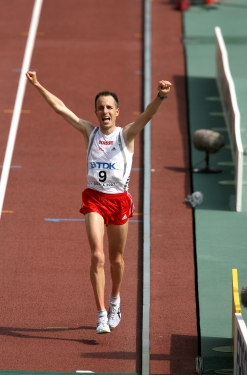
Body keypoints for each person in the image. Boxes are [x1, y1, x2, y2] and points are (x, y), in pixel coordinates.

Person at [26, 71, 171, 333]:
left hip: (118, 201)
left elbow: (148, 114)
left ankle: (115, 300)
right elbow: (61, 109)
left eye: (109, 107)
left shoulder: (126, 134)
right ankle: (102, 313)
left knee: (116, 259)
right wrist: (38, 85)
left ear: (117, 111)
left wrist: (161, 95)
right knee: (97, 256)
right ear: (96, 112)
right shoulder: (89, 132)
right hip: (94, 198)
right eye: (100, 108)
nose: (104, 111)